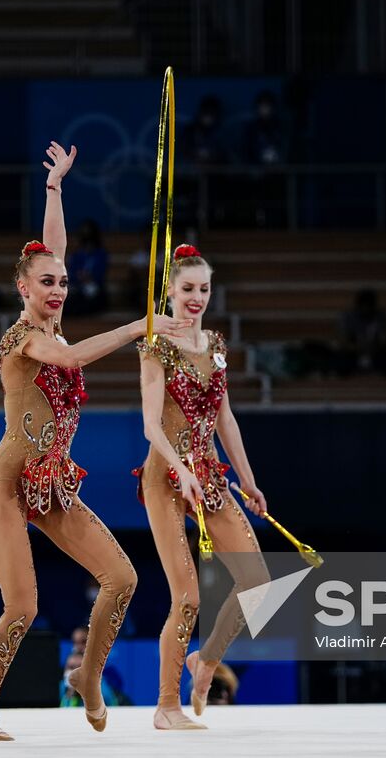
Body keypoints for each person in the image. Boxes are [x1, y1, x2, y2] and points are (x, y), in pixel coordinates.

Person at [0, 141, 185, 742]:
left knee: (123, 579)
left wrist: (55, 189)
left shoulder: (52, 314)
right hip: (8, 481)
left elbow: (53, 246)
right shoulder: (24, 340)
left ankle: (87, 678)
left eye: (62, 282)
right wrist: (138, 325)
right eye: (46, 283)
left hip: (54, 480)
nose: (58, 288)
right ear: (22, 288)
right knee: (23, 607)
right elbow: (70, 356)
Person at [134, 243, 271, 730]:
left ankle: (207, 660)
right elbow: (151, 424)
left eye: (204, 289)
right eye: (188, 289)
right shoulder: (155, 344)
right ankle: (166, 706)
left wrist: (248, 481)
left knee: (258, 582)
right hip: (165, 477)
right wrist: (181, 470)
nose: (197, 298)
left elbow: (225, 417)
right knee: (187, 596)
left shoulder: (214, 343)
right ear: (169, 292)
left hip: (209, 475)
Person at [337, 289, 386, 377]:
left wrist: (373, 347)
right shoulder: (348, 317)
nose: (365, 309)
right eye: (363, 306)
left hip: (376, 352)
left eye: (368, 306)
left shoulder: (381, 317)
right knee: (341, 359)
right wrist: (358, 347)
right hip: (354, 352)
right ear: (357, 305)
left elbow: (385, 339)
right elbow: (343, 341)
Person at [64, 220, 109, 316]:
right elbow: (71, 272)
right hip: (77, 287)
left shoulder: (101, 254)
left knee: (94, 294)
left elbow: (101, 273)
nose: (88, 245)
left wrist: (89, 277)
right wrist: (79, 277)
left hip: (94, 288)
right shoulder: (77, 255)